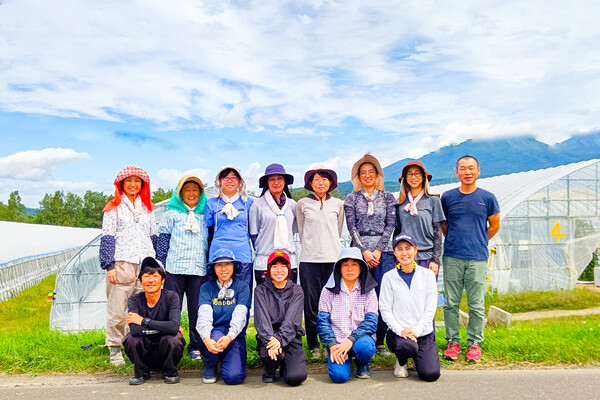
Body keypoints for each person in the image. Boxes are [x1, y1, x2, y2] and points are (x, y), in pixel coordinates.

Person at [441, 155, 500, 363]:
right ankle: (452, 341)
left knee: (476, 304)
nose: (467, 172)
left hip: (477, 258)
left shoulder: (488, 198)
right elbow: (444, 225)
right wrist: (456, 239)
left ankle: (474, 342)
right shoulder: (447, 197)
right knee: (451, 303)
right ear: (457, 172)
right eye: (463, 168)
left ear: (478, 171)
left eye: (471, 168)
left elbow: (494, 225)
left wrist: (479, 239)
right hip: (452, 256)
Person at [100, 166, 157, 366]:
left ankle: (138, 347)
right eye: (129, 180)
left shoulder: (148, 208)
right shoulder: (114, 207)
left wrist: (157, 264)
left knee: (142, 310)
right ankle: (115, 349)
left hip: (145, 265)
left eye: (137, 181)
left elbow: (153, 236)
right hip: (123, 263)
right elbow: (107, 237)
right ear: (122, 184)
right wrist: (109, 265)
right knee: (117, 311)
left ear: (142, 185)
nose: (133, 184)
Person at [344, 154, 396, 356]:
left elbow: (390, 225)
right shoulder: (352, 198)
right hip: (359, 253)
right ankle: (360, 339)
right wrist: (364, 251)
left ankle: (381, 340)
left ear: (377, 175)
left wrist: (378, 250)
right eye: (363, 173)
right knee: (360, 296)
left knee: (383, 296)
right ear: (358, 177)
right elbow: (351, 227)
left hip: (384, 252)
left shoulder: (387, 197)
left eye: (371, 172)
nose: (367, 176)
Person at [156, 175, 208, 361]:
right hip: (174, 269)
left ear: (200, 194)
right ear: (180, 193)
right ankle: (172, 344)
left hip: (198, 269)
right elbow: (163, 240)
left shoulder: (205, 214)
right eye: (187, 190)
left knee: (197, 309)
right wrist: (161, 266)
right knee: (172, 308)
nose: (191, 193)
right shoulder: (171, 214)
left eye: (195, 190)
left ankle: (195, 346)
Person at [296, 168, 344, 358]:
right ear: (310, 183)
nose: (321, 183)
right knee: (311, 303)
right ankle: (313, 344)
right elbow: (301, 230)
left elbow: (338, 230)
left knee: (332, 302)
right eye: (316, 180)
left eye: (324, 179)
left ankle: (329, 341)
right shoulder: (302, 204)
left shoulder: (338, 204)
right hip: (309, 260)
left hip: (333, 259)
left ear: (330, 183)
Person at [379, 233, 440, 382]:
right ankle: (401, 361)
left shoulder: (427, 275)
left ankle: (418, 358)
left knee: (430, 374)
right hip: (400, 334)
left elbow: (430, 308)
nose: (404, 253)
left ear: (415, 250)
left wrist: (416, 331)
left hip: (423, 333)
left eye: (408, 248)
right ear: (394, 253)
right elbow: (385, 308)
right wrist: (400, 330)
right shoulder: (389, 277)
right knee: (407, 346)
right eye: (399, 249)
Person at [317, 247, 378, 383]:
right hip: (337, 342)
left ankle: (362, 362)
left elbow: (371, 322)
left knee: (365, 347)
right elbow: (323, 322)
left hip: (359, 340)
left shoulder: (369, 290)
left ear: (361, 268)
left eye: (354, 264)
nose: (350, 269)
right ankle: (344, 358)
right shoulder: (327, 290)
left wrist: (350, 340)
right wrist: (332, 345)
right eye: (345, 265)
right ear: (339, 268)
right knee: (339, 377)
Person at [122, 257, 186, 385]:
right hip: (144, 353)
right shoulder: (134, 300)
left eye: (155, 276)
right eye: (146, 276)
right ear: (140, 281)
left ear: (163, 280)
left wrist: (143, 321)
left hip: (166, 351)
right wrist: (166, 328)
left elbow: (173, 326)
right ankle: (141, 372)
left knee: (174, 339)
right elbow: (134, 330)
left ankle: (170, 372)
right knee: (131, 339)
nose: (151, 280)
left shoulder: (172, 297)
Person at [196, 249, 251, 385]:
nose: (224, 269)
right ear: (213, 268)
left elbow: (240, 315)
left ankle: (226, 358)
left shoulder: (242, 287)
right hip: (214, 333)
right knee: (214, 337)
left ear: (234, 267)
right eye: (219, 265)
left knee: (234, 377)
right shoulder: (206, 287)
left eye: (228, 264)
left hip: (234, 336)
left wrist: (230, 336)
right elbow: (204, 315)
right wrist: (206, 339)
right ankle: (210, 363)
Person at [254, 250, 307, 386]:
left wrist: (280, 339)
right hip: (269, 336)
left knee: (295, 378)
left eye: (283, 266)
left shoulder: (297, 290)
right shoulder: (260, 290)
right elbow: (261, 319)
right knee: (271, 354)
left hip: (290, 336)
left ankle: (284, 367)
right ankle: (270, 369)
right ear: (269, 270)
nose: (279, 270)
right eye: (274, 266)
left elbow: (292, 321)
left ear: (288, 269)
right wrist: (270, 339)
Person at [205, 166, 254, 292]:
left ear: (240, 181)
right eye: (226, 178)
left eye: (233, 178)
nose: (230, 181)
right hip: (218, 255)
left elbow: (253, 229)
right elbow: (208, 230)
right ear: (219, 181)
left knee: (243, 295)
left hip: (242, 255)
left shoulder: (248, 203)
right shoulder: (211, 203)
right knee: (217, 296)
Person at [249, 163, 298, 286]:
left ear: (285, 182)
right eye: (272, 179)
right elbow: (253, 235)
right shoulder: (257, 205)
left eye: (280, 178)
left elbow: (293, 231)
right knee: (265, 297)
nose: (276, 182)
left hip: (289, 262)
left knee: (289, 297)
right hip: (264, 261)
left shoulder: (292, 205)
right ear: (267, 182)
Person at [394, 161, 445, 276]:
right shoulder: (400, 203)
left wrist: (436, 260)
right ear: (405, 179)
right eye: (410, 174)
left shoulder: (433, 201)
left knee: (427, 287)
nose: (413, 177)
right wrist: (396, 257)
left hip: (427, 257)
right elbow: (397, 231)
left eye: (417, 173)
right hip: (405, 257)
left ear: (423, 177)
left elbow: (437, 232)